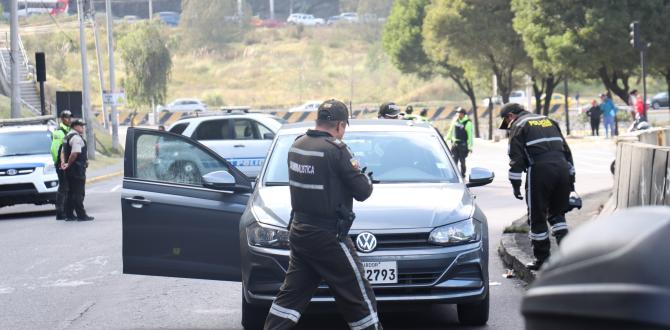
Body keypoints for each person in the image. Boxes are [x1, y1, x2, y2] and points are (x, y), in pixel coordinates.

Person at [264, 100, 380, 330]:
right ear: (339, 125)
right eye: (344, 128)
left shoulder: (297, 145)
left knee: (290, 299)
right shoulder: (337, 150)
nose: (343, 133)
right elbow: (363, 191)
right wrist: (365, 178)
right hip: (328, 237)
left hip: (300, 232)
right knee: (359, 295)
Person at [499, 103, 574, 271]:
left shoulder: (518, 126)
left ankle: (542, 260)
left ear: (510, 116)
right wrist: (571, 179)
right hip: (562, 168)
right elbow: (567, 150)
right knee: (557, 214)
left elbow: (516, 158)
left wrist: (516, 185)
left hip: (540, 171)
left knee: (537, 215)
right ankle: (568, 256)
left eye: (506, 121)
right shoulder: (548, 120)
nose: (507, 125)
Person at [61, 119, 94, 221]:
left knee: (70, 192)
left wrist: (64, 163)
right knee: (78, 193)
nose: (82, 128)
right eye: (81, 126)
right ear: (75, 126)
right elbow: (75, 153)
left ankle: (69, 215)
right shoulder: (76, 138)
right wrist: (69, 163)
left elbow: (62, 152)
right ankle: (81, 215)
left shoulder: (66, 137)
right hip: (77, 169)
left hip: (69, 170)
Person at [51, 110, 72, 220]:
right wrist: (58, 162)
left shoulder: (68, 130)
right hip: (61, 164)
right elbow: (54, 149)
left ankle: (66, 210)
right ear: (62, 119)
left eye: (70, 117)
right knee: (63, 186)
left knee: (66, 186)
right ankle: (60, 211)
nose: (69, 119)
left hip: (66, 163)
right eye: (67, 117)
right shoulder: (59, 132)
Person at [446, 107, 473, 178]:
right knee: (454, 161)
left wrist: (470, 147)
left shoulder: (467, 123)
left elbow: (470, 136)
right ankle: (454, 175)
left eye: (459, 113)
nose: (458, 114)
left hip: (463, 145)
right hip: (455, 144)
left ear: (463, 114)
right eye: (457, 112)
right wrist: (446, 140)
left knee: (462, 162)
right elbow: (450, 131)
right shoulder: (455, 120)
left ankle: (463, 174)